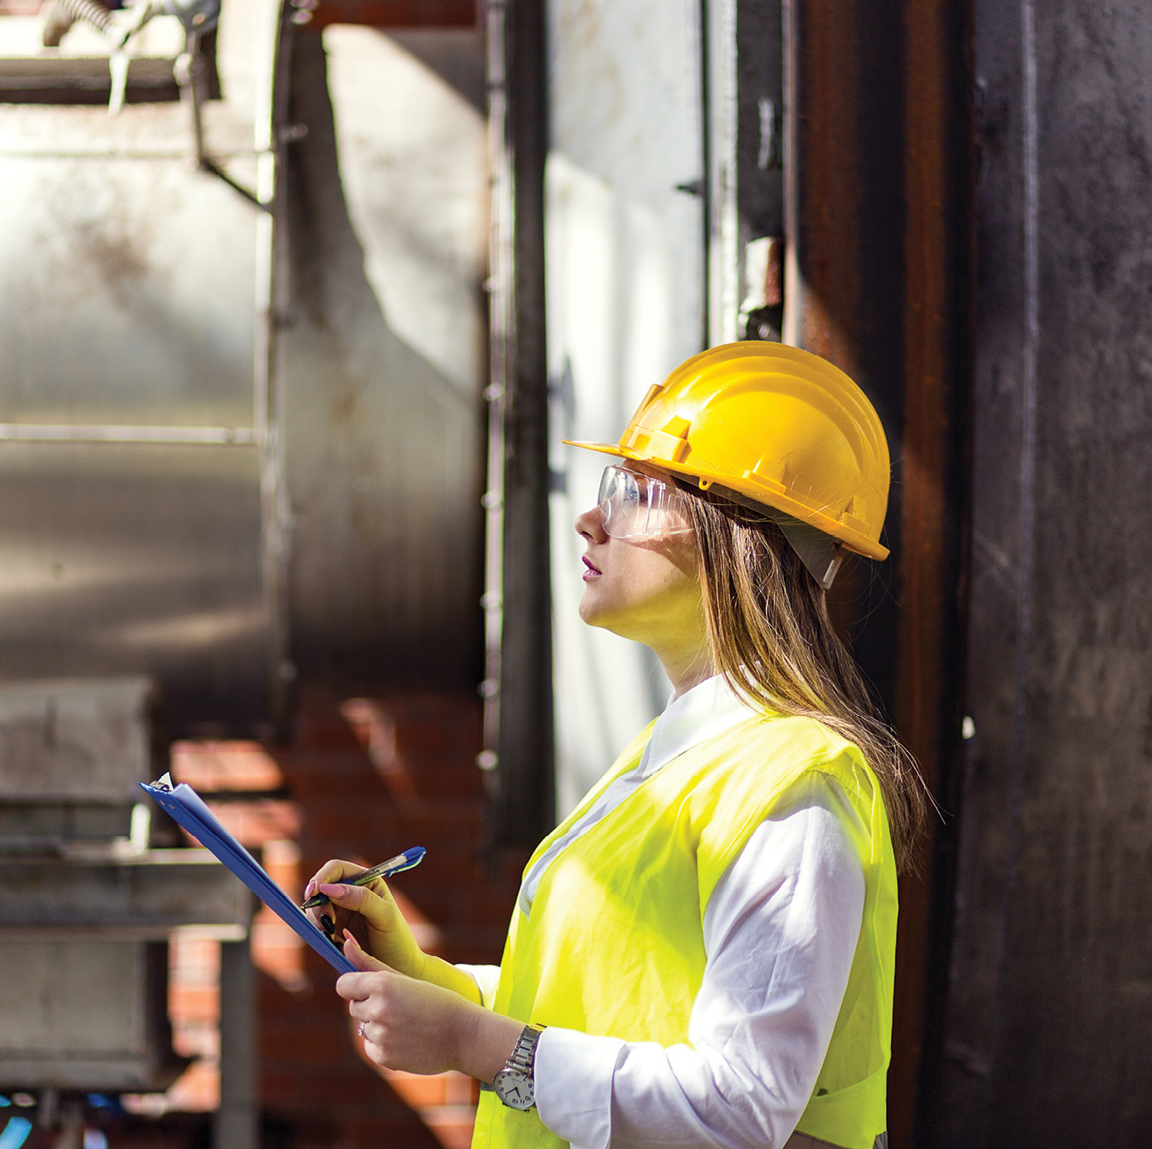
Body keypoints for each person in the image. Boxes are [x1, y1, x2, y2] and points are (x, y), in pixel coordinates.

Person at [305, 342, 928, 1149]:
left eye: (636, 490)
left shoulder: (793, 790)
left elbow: (736, 1111)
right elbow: (600, 1004)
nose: (591, 517)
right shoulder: (680, 754)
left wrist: (469, 1044)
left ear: (738, 535)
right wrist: (430, 984)